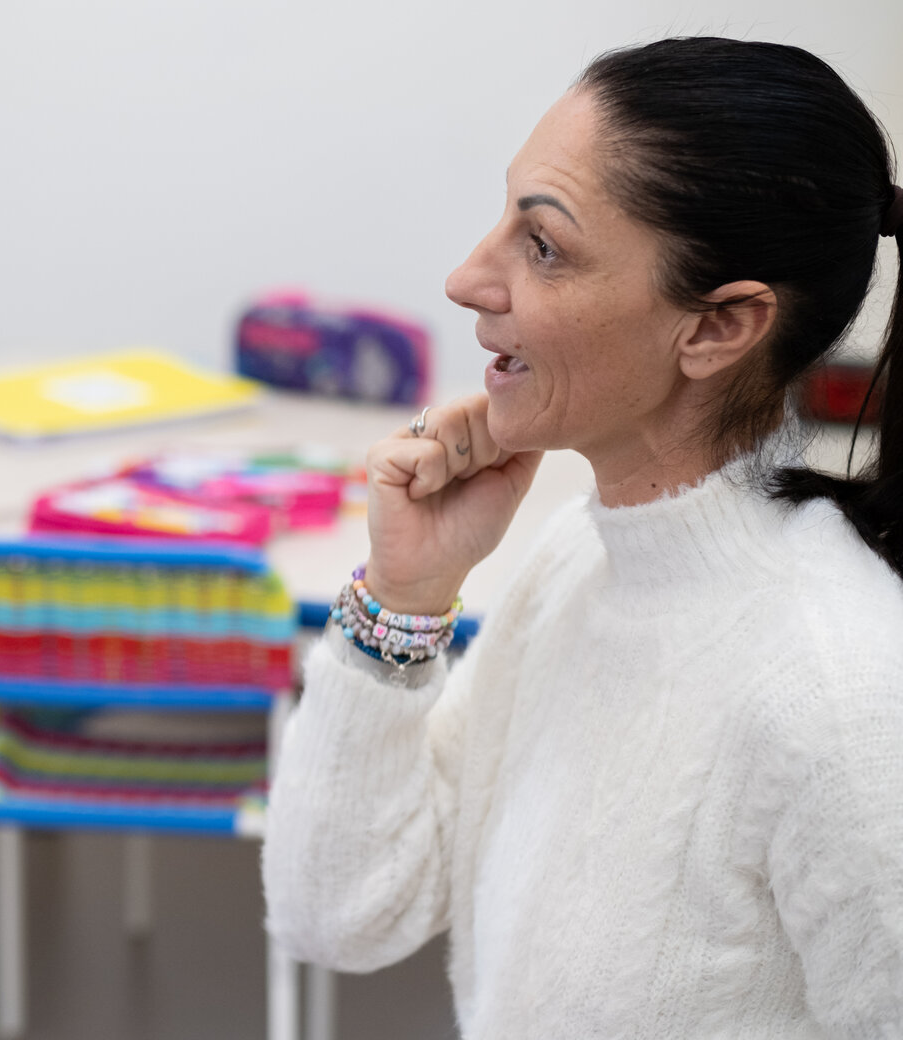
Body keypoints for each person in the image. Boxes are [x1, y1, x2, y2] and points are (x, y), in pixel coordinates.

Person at [262, 37, 903, 1037]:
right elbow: (339, 915)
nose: (469, 277)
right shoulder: (575, 561)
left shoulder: (845, 688)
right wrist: (403, 592)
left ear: (719, 326)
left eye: (545, 247)